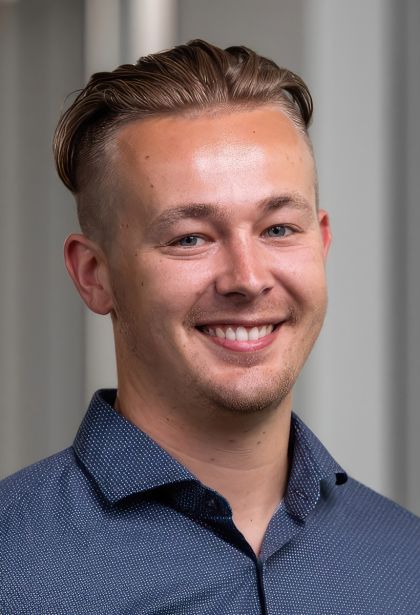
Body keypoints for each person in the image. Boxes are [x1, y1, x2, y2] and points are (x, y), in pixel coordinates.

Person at [0, 39, 418, 614]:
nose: (247, 279)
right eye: (189, 238)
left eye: (278, 229)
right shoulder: (13, 570)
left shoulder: (406, 560)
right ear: (94, 275)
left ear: (321, 243)